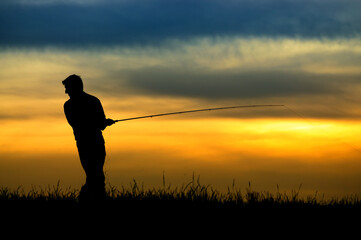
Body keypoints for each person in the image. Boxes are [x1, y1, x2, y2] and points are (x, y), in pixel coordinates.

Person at [62, 74, 115, 201]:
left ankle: (88, 200)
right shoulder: (93, 101)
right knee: (95, 175)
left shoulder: (68, 106)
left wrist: (102, 122)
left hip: (87, 143)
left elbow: (81, 124)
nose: (66, 91)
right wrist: (105, 122)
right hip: (90, 143)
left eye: (67, 88)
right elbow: (96, 124)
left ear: (75, 87)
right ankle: (91, 199)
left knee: (94, 175)